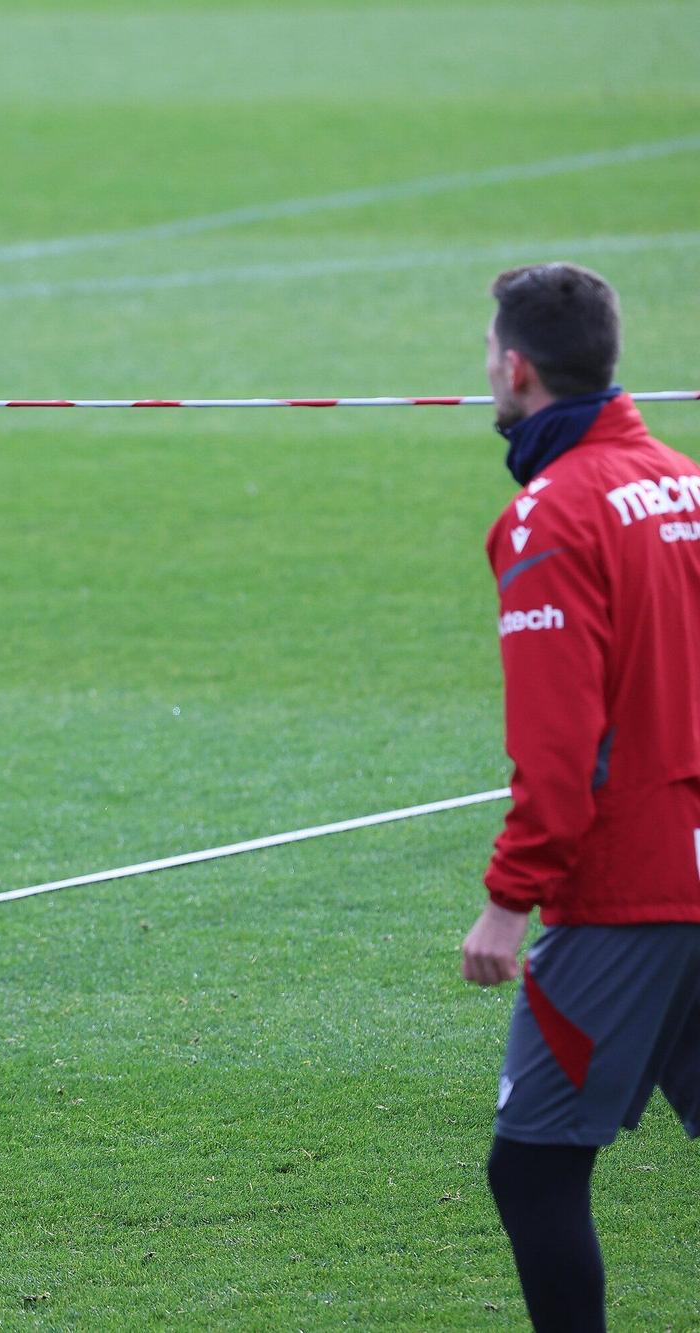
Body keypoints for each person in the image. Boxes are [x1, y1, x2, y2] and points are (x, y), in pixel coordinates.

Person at [461, 262, 700, 1329]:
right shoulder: (685, 480)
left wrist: (508, 901)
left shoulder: (548, 519)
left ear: (516, 367)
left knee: (532, 1170)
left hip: (628, 898)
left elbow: (559, 750)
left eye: (484, 355)